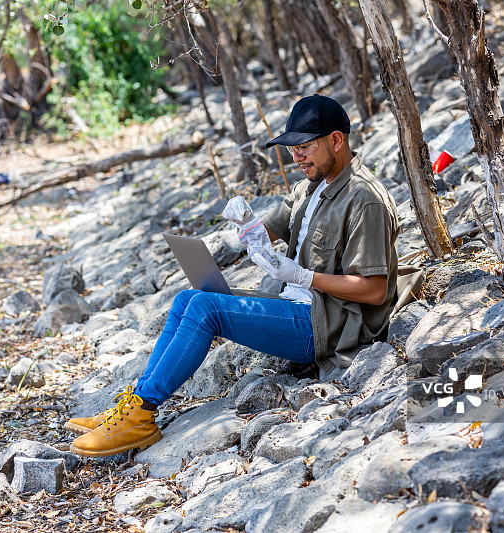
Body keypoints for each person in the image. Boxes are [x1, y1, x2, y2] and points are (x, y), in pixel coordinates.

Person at [66, 94, 399, 458]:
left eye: (305, 147)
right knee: (186, 300)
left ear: (336, 140)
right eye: (292, 148)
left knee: (207, 310)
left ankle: (140, 417)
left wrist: (303, 276)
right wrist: (248, 226)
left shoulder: (364, 199)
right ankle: (134, 403)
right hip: (296, 306)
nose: (296, 157)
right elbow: (272, 228)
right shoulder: (310, 186)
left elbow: (374, 291)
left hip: (326, 323)